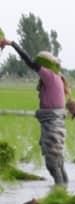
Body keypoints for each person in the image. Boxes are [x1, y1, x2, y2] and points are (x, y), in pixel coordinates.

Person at [0, 39, 68, 185]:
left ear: (44, 65)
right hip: (55, 121)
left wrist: (12, 44)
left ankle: (60, 191)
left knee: (52, 163)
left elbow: (29, 62)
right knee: (58, 161)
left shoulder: (50, 76)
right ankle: (64, 189)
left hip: (53, 122)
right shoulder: (57, 77)